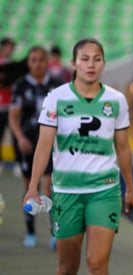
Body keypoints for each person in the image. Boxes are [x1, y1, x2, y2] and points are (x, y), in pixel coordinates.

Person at [22, 38, 133, 274]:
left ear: (104, 64)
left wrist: (130, 188)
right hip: (66, 191)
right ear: (73, 63)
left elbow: (123, 147)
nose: (90, 65)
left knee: (97, 264)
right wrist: (33, 187)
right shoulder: (56, 97)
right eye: (84, 59)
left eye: (96, 59)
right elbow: (44, 145)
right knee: (67, 267)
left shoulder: (116, 100)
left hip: (104, 190)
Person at [8, 46, 61, 248]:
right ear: (28, 63)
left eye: (41, 59)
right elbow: (13, 118)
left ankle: (53, 233)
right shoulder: (21, 86)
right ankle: (30, 232)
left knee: (48, 188)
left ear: (47, 61)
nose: (37, 63)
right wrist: (20, 138)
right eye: (33, 60)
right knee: (30, 188)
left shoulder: (55, 86)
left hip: (48, 146)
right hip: (28, 145)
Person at [0, 37, 16, 172]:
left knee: (15, 134)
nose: (9, 50)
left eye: (11, 48)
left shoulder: (14, 65)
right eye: (7, 47)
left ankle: (17, 162)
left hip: (11, 106)